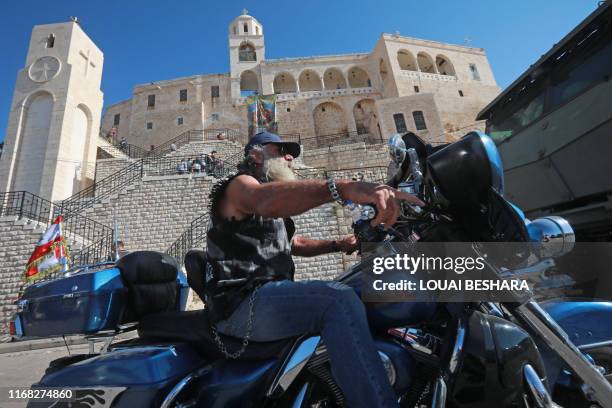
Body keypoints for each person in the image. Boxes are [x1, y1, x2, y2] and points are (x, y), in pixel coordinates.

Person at [205, 131, 424, 408]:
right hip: (241, 304)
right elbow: (263, 200)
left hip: (265, 298)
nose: (289, 157)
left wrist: (338, 243)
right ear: (255, 154)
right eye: (281, 149)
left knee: (354, 290)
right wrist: (344, 189)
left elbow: (294, 243)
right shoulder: (240, 186)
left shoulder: (269, 209)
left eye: (292, 153)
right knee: (337, 300)